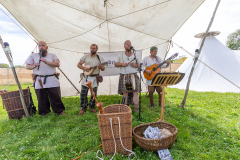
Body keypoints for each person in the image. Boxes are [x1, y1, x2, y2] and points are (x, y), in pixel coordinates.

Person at [26, 41, 66, 115]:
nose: (41, 47)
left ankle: (59, 111)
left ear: (47, 47)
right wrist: (33, 65)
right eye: (40, 46)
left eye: (43, 45)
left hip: (52, 79)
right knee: (41, 97)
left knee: (55, 96)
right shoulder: (33, 56)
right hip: (39, 79)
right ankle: (44, 112)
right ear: (38, 47)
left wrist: (46, 62)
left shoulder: (52, 55)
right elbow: (27, 66)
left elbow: (57, 64)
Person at [77, 44, 105, 115]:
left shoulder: (100, 58)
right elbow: (78, 65)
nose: (93, 49)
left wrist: (100, 66)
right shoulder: (85, 57)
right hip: (86, 77)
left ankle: (92, 106)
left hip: (94, 78)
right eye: (92, 48)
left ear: (96, 49)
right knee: (83, 93)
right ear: (90, 49)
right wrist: (84, 68)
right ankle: (83, 107)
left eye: (94, 48)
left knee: (93, 94)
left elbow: (103, 68)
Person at [115, 40, 141, 113]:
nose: (129, 45)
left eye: (130, 44)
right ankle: (125, 109)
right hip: (124, 75)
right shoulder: (120, 55)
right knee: (125, 93)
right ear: (124, 46)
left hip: (134, 74)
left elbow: (139, 65)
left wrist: (134, 65)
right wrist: (122, 64)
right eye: (127, 44)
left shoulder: (135, 55)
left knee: (136, 92)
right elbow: (115, 64)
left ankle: (136, 109)